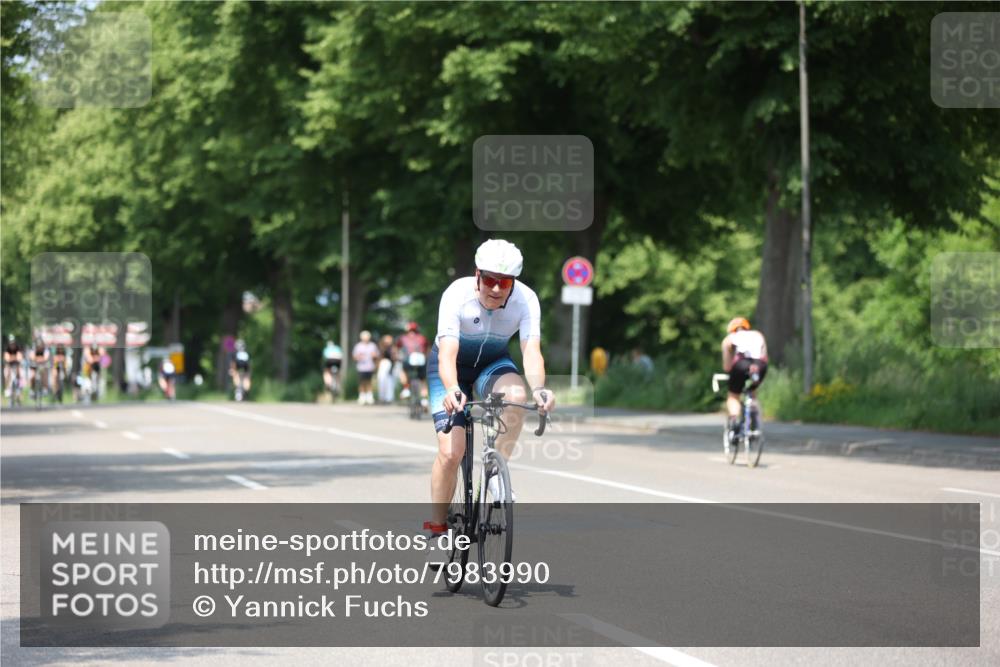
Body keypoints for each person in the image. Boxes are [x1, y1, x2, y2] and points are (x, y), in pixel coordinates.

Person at [424, 239, 556, 552]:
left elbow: (531, 351)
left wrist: (540, 389)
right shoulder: (457, 294)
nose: (496, 289)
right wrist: (453, 388)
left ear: (514, 283)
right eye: (490, 280)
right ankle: (438, 529)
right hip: (450, 367)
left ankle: (496, 472)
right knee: (450, 453)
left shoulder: (526, 300)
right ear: (477, 275)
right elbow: (447, 354)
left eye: (505, 282)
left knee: (516, 394)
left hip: (492, 365)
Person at [721, 317, 769, 443]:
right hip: (760, 366)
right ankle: (753, 418)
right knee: (752, 390)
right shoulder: (758, 335)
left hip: (741, 364)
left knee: (733, 396)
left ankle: (735, 424)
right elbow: (764, 357)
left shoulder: (729, 339)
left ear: (732, 330)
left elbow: (727, 367)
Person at [397, 321, 429, 405]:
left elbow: (398, 348)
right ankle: (424, 400)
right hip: (421, 360)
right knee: (423, 380)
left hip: (408, 360)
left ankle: (406, 389)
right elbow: (426, 350)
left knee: (403, 371)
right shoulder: (423, 338)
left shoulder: (403, 338)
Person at [352, 330, 378, 405]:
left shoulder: (373, 345)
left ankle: (369, 396)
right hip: (361, 367)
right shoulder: (358, 346)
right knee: (361, 382)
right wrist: (358, 357)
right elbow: (354, 357)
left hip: (370, 366)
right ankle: (362, 396)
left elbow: (377, 355)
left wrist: (374, 356)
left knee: (369, 381)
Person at [376, 334, 397, 404]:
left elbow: (394, 358)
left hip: (390, 365)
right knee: (381, 381)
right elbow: (379, 357)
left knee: (390, 382)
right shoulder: (382, 347)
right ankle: (382, 397)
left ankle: (389, 398)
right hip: (383, 364)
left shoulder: (393, 348)